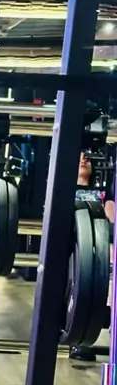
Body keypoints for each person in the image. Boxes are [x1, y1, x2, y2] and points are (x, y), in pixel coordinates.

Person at [71, 151, 115, 365]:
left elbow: (111, 223)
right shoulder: (65, 192)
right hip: (76, 248)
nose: (84, 160)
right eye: (79, 157)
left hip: (101, 246)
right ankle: (80, 339)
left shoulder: (104, 194)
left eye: (87, 158)